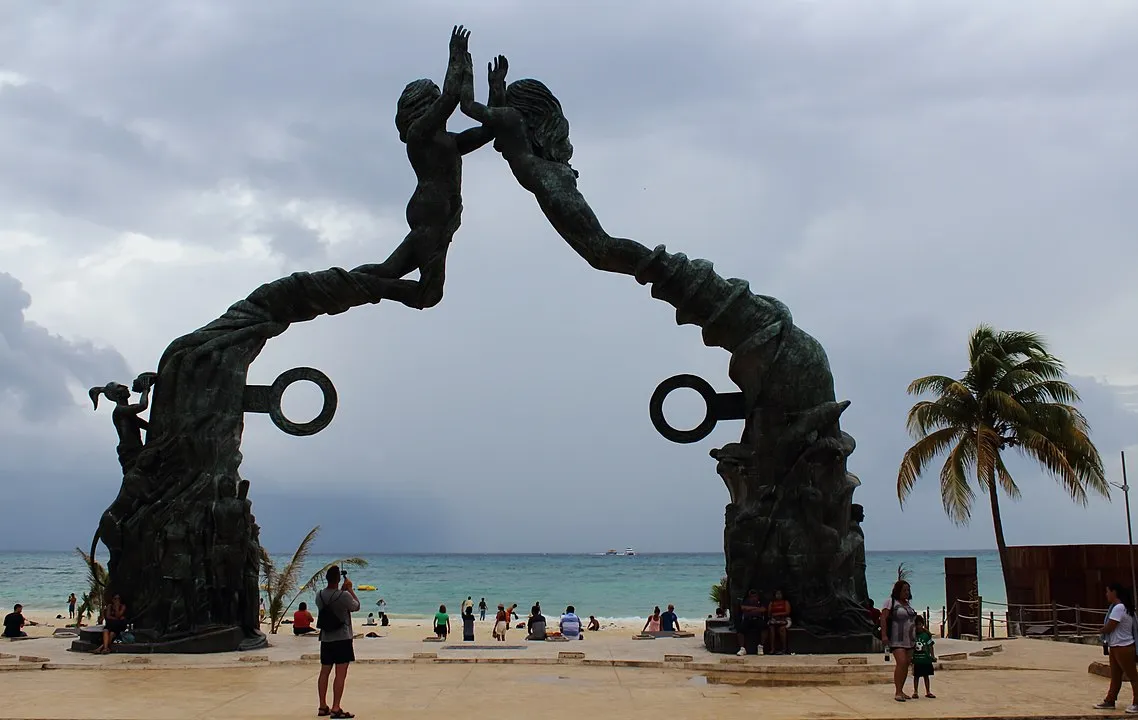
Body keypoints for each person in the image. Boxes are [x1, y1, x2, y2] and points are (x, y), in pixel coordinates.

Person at [351, 26, 502, 311]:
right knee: (424, 292)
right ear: (421, 105)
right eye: (432, 99)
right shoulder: (419, 135)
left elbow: (487, 131)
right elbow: (451, 98)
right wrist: (456, 56)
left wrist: (495, 87)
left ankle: (348, 283)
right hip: (429, 213)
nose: (437, 105)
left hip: (439, 218)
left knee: (396, 274)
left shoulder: (450, 142)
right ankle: (353, 285)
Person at [315, 565, 360, 719]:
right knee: (340, 674)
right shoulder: (344, 596)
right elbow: (356, 606)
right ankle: (336, 707)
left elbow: (330, 604)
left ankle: (322, 706)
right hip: (342, 638)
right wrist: (349, 590)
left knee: (324, 672)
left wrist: (342, 591)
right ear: (338, 579)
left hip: (326, 638)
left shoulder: (319, 595)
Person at [1095, 582, 1138, 712]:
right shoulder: (1120, 607)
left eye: (1108, 591)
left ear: (1114, 592)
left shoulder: (1119, 608)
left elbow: (1111, 625)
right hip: (1115, 646)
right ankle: (1110, 700)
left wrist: (1101, 630)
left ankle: (1137, 702)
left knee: (1133, 676)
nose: (1106, 594)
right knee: (1116, 676)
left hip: (1123, 647)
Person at [882, 580, 918, 703]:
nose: (907, 592)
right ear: (898, 591)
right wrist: (884, 635)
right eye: (904, 590)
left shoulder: (908, 604)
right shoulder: (890, 602)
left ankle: (901, 690)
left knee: (906, 664)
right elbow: (883, 618)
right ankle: (897, 691)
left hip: (910, 639)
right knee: (901, 662)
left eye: (908, 590)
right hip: (897, 639)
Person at [911, 615, 936, 699]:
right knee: (916, 676)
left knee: (926, 676)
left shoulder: (926, 635)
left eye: (920, 624)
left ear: (922, 624)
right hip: (916, 660)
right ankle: (915, 691)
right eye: (916, 625)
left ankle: (928, 691)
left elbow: (931, 646)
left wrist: (932, 656)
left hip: (926, 659)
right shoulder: (913, 636)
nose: (918, 626)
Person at [736, 590, 766, 656]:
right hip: (748, 619)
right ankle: (742, 648)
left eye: (755, 595)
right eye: (751, 595)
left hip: (758, 619)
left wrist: (749, 609)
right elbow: (743, 608)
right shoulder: (746, 600)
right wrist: (756, 608)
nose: (753, 597)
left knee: (764, 628)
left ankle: (760, 646)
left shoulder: (760, 601)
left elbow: (763, 609)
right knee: (740, 630)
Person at [767, 590, 792, 655]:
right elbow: (769, 613)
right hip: (774, 620)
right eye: (777, 594)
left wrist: (777, 614)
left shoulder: (785, 602)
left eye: (780, 594)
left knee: (782, 629)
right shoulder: (772, 603)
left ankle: (784, 649)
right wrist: (774, 617)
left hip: (785, 619)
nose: (778, 595)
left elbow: (787, 612)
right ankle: (772, 649)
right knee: (771, 628)